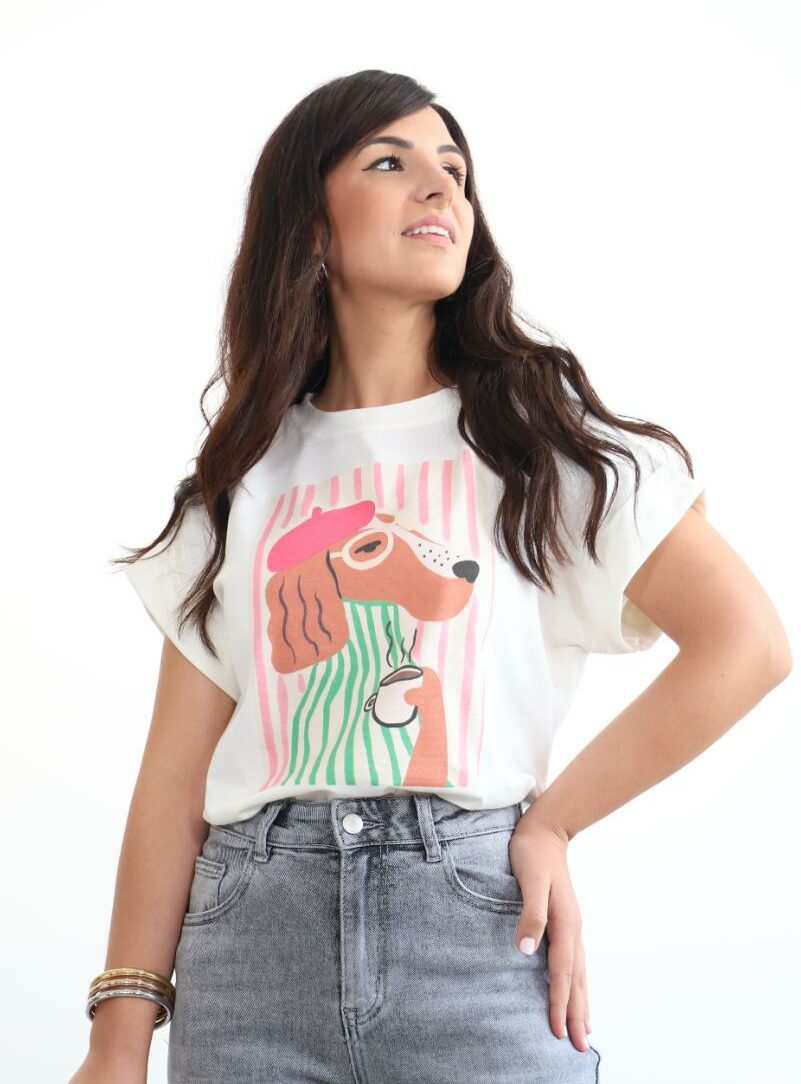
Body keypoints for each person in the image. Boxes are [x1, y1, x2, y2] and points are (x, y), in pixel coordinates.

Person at [70, 69, 792, 1084]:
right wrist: (117, 1040)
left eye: (454, 169)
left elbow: (747, 645)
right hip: (249, 955)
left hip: (476, 939)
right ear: (309, 227)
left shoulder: (538, 445)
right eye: (389, 161)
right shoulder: (242, 480)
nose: (441, 186)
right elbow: (174, 778)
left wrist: (553, 821)